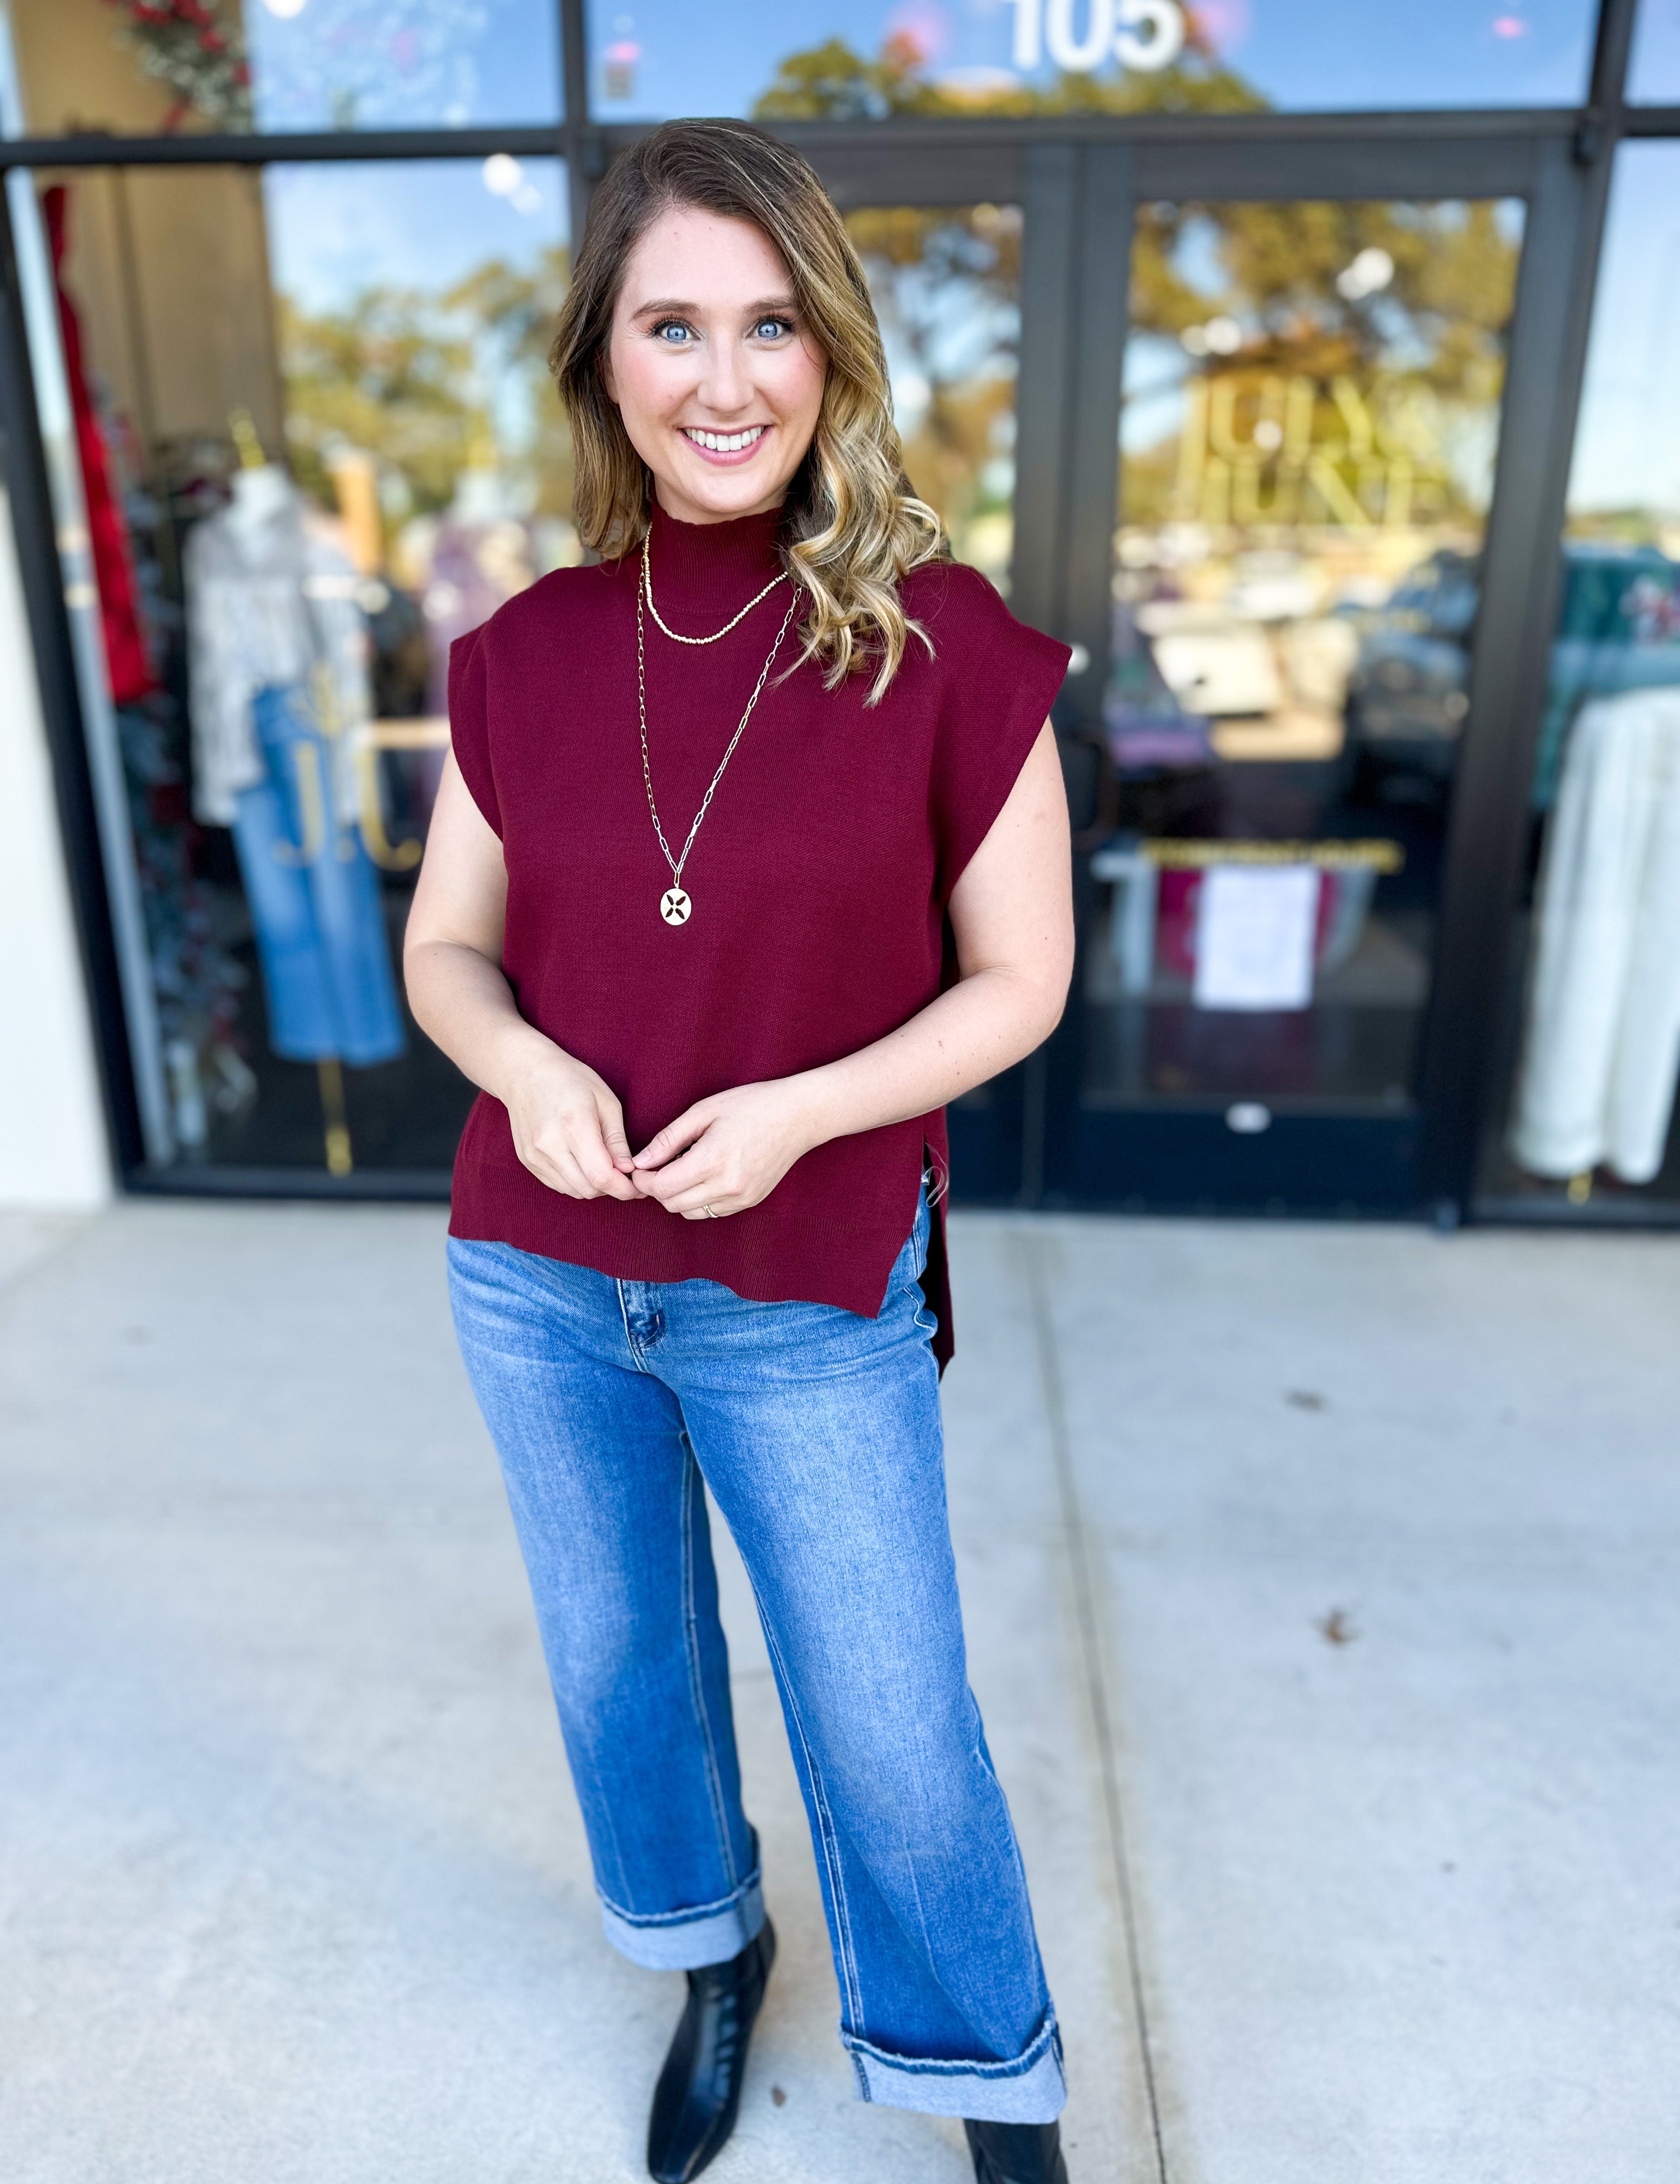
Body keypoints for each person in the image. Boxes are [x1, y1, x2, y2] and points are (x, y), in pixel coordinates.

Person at [404, 118, 1076, 2184]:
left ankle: (991, 2083)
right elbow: (445, 949)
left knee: (893, 1719)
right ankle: (715, 1952)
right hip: (538, 1274)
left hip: (807, 1288)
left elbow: (1018, 980)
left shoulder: (945, 639)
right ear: (603, 363)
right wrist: (518, 1061)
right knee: (628, 1674)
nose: (725, 379)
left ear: (832, 349)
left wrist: (800, 1108)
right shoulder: (521, 652)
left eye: (770, 323)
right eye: (671, 325)